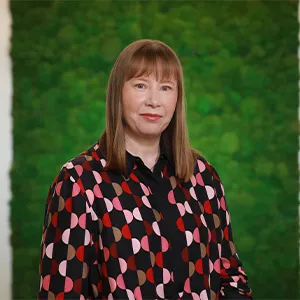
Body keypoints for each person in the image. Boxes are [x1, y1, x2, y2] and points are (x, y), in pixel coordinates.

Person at [38, 39, 253, 299]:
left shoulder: (204, 177)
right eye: (141, 85)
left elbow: (230, 276)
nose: (154, 101)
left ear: (177, 98)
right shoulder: (78, 182)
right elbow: (63, 293)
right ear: (118, 92)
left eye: (165, 87)